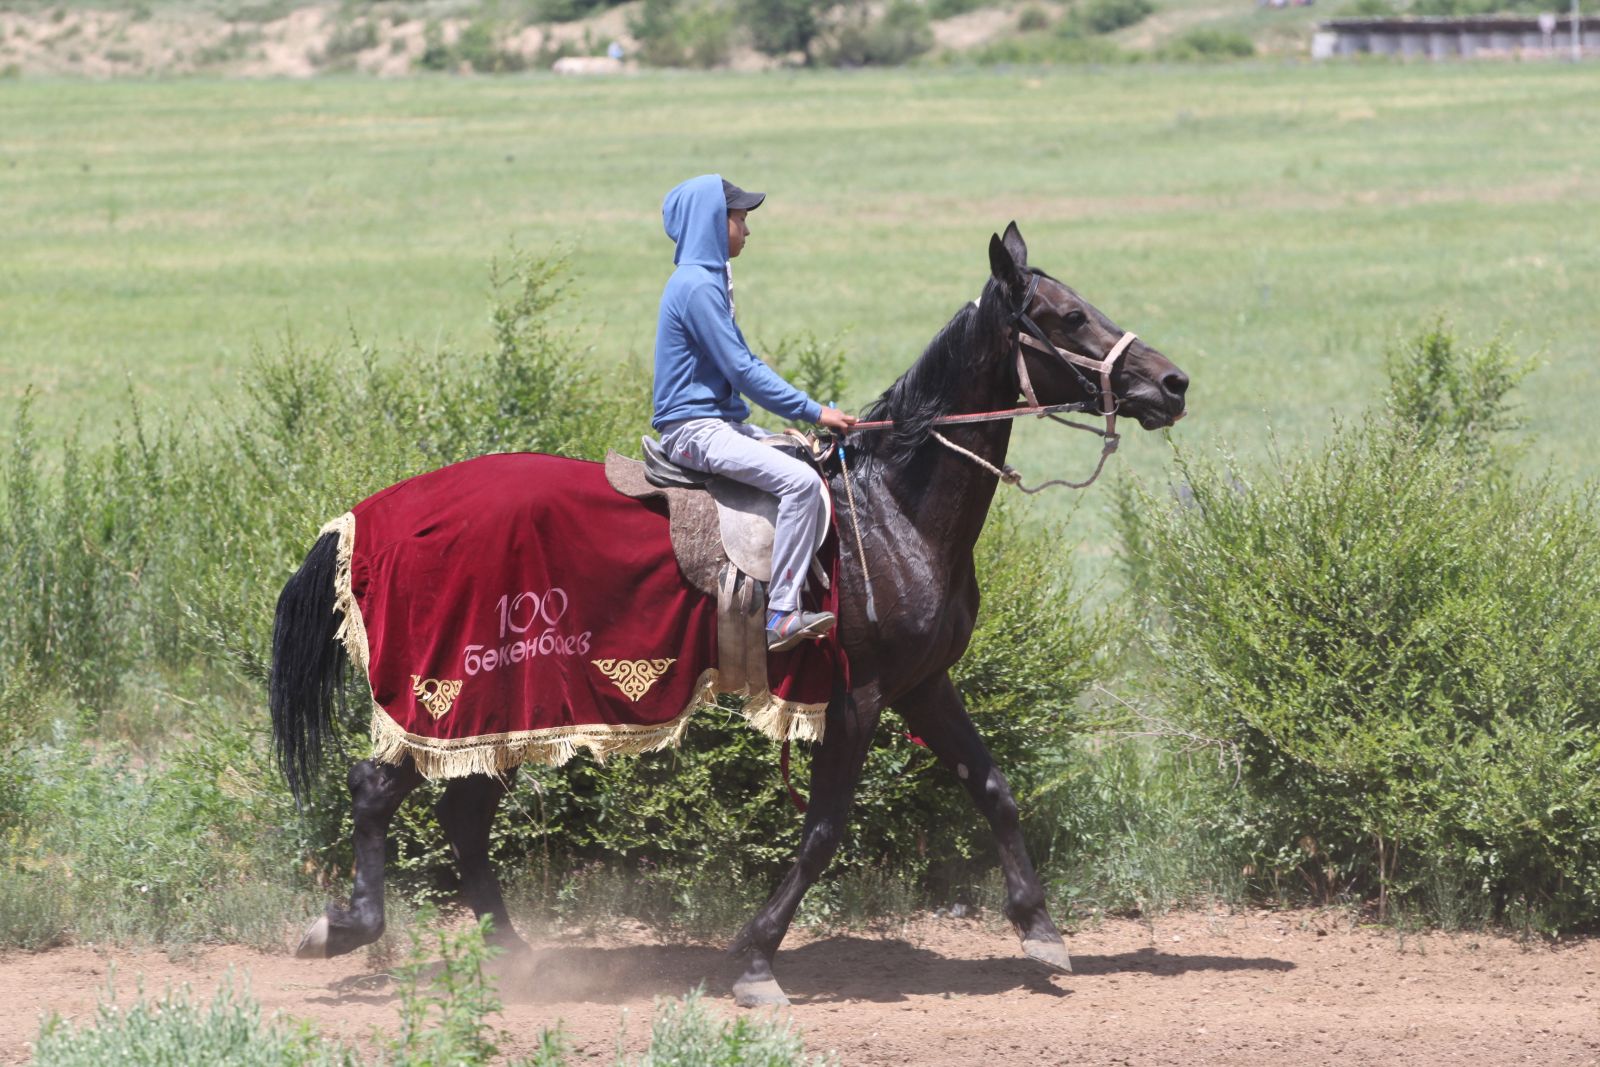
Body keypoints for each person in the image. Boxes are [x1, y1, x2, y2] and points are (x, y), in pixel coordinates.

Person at [651, 174, 857, 652]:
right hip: (695, 430)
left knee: (804, 461)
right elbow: (743, 370)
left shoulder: (706, 282)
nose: (747, 230)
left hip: (717, 423)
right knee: (801, 484)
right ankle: (782, 613)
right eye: (740, 218)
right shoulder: (697, 287)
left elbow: (743, 366)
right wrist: (815, 411)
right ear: (712, 223)